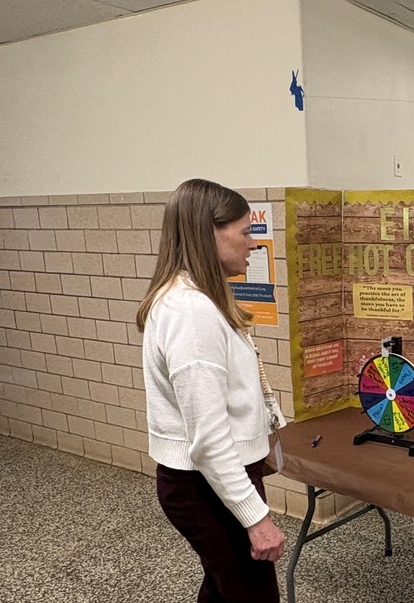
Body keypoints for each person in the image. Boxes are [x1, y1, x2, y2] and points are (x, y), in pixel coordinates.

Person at [136, 179, 284, 603]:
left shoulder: (198, 298)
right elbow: (208, 438)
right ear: (209, 234)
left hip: (214, 481)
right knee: (252, 594)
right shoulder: (190, 311)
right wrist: (256, 520)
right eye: (245, 232)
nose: (253, 244)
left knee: (224, 588)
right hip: (204, 485)